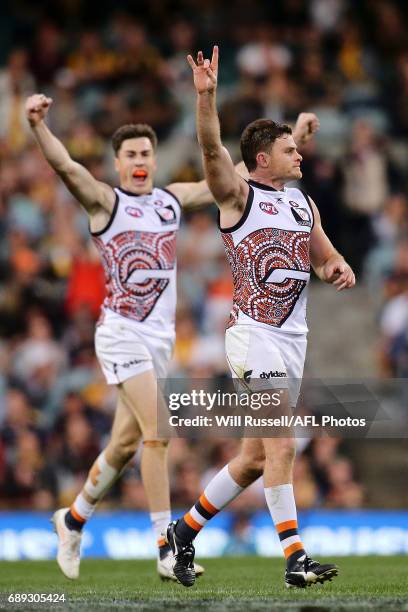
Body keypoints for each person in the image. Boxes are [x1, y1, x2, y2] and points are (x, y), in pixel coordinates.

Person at [166, 46, 355, 589]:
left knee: (252, 459)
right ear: (262, 159)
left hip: (294, 338)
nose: (301, 156)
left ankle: (183, 531)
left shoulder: (303, 204)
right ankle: (295, 555)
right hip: (254, 336)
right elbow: (209, 149)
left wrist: (337, 267)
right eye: (290, 150)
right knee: (282, 442)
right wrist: (206, 97)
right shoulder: (237, 196)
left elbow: (323, 256)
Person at [25, 93, 211, 581]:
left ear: (154, 158)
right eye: (130, 154)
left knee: (127, 445)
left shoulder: (172, 201)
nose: (139, 161)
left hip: (160, 341)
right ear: (118, 162)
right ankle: (166, 548)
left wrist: (290, 145)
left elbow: (226, 185)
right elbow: (66, 167)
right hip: (121, 333)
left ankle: (72, 519)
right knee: (160, 432)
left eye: (146, 153)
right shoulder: (106, 202)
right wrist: (39, 125)